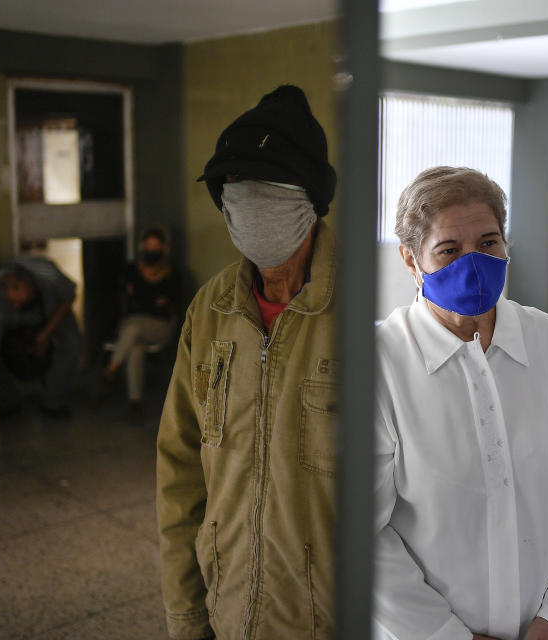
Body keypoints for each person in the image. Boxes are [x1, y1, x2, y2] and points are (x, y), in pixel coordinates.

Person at [373, 167, 548, 640]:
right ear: (410, 260)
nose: (474, 262)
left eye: (489, 243)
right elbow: (362, 531)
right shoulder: (380, 362)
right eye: (449, 250)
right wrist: (446, 634)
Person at [156, 85, 338, 640]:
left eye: (265, 185)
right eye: (232, 186)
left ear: (307, 198)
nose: (245, 199)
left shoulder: (366, 317)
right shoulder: (210, 311)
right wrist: (188, 616)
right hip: (228, 609)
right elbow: (180, 474)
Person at [0, 256, 81, 420]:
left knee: (72, 343)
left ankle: (53, 401)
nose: (16, 306)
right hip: (14, 323)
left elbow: (70, 296)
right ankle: (6, 403)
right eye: (12, 302)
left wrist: (45, 334)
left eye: (20, 301)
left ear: (30, 286)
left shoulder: (49, 275)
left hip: (53, 309)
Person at [104, 227, 181, 415]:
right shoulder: (130, 270)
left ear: (164, 248)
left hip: (159, 326)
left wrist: (140, 298)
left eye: (156, 246)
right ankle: (135, 401)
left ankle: (109, 371)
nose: (151, 251)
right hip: (130, 323)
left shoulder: (172, 274)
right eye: (148, 246)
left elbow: (165, 303)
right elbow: (129, 300)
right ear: (141, 247)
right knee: (136, 346)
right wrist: (152, 300)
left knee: (135, 327)